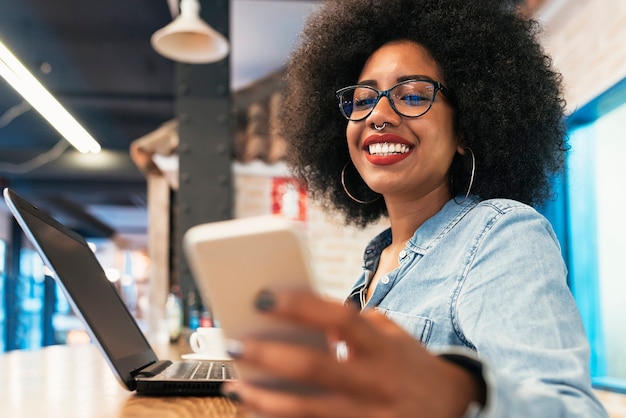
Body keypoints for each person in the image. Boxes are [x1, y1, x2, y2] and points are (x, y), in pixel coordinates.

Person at [221, 0, 610, 416]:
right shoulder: (376, 263)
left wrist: (455, 395)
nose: (379, 115)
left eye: (412, 95)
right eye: (362, 98)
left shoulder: (501, 235)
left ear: (465, 128)